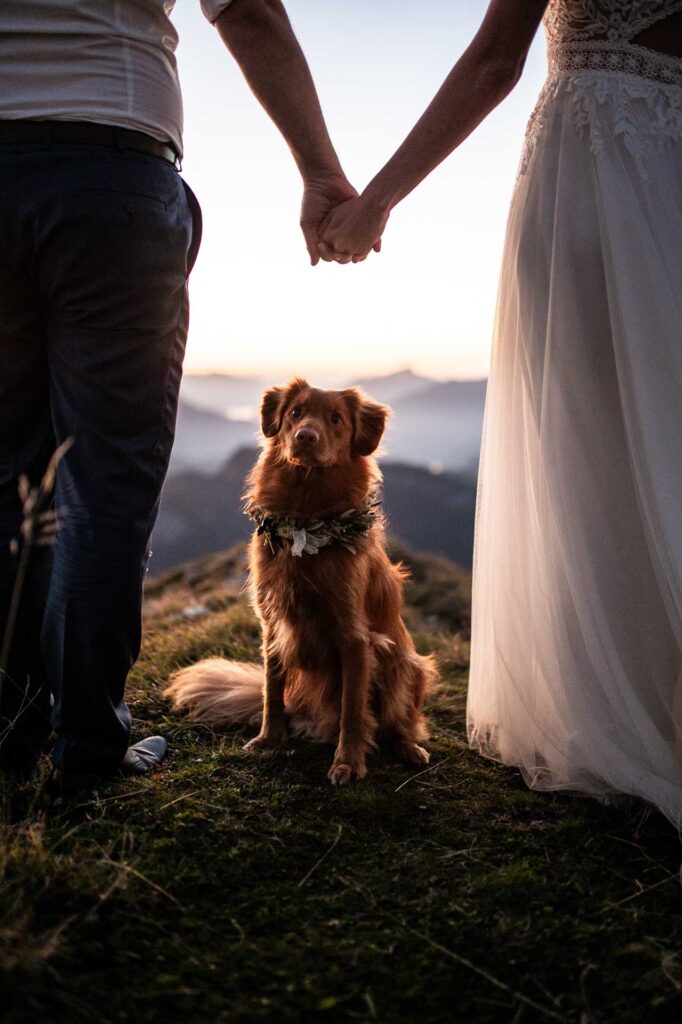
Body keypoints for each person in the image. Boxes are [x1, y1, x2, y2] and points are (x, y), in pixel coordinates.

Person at [319, 0, 682, 827]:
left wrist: (374, 200)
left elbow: (494, 60)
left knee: (593, 459)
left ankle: (632, 716)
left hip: (602, 177)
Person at [0, 0, 358, 792]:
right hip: (109, 174)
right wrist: (322, 172)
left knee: (9, 478)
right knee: (102, 490)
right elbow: (249, 12)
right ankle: (88, 750)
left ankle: (12, 733)